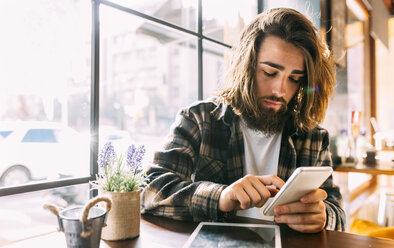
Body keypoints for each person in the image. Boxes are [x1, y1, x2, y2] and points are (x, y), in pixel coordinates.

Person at [141, 8, 345, 233]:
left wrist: (324, 216)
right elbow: (150, 191)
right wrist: (221, 196)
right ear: (246, 66)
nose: (280, 90)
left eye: (295, 79)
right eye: (269, 72)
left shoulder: (313, 137)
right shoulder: (199, 120)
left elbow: (338, 212)